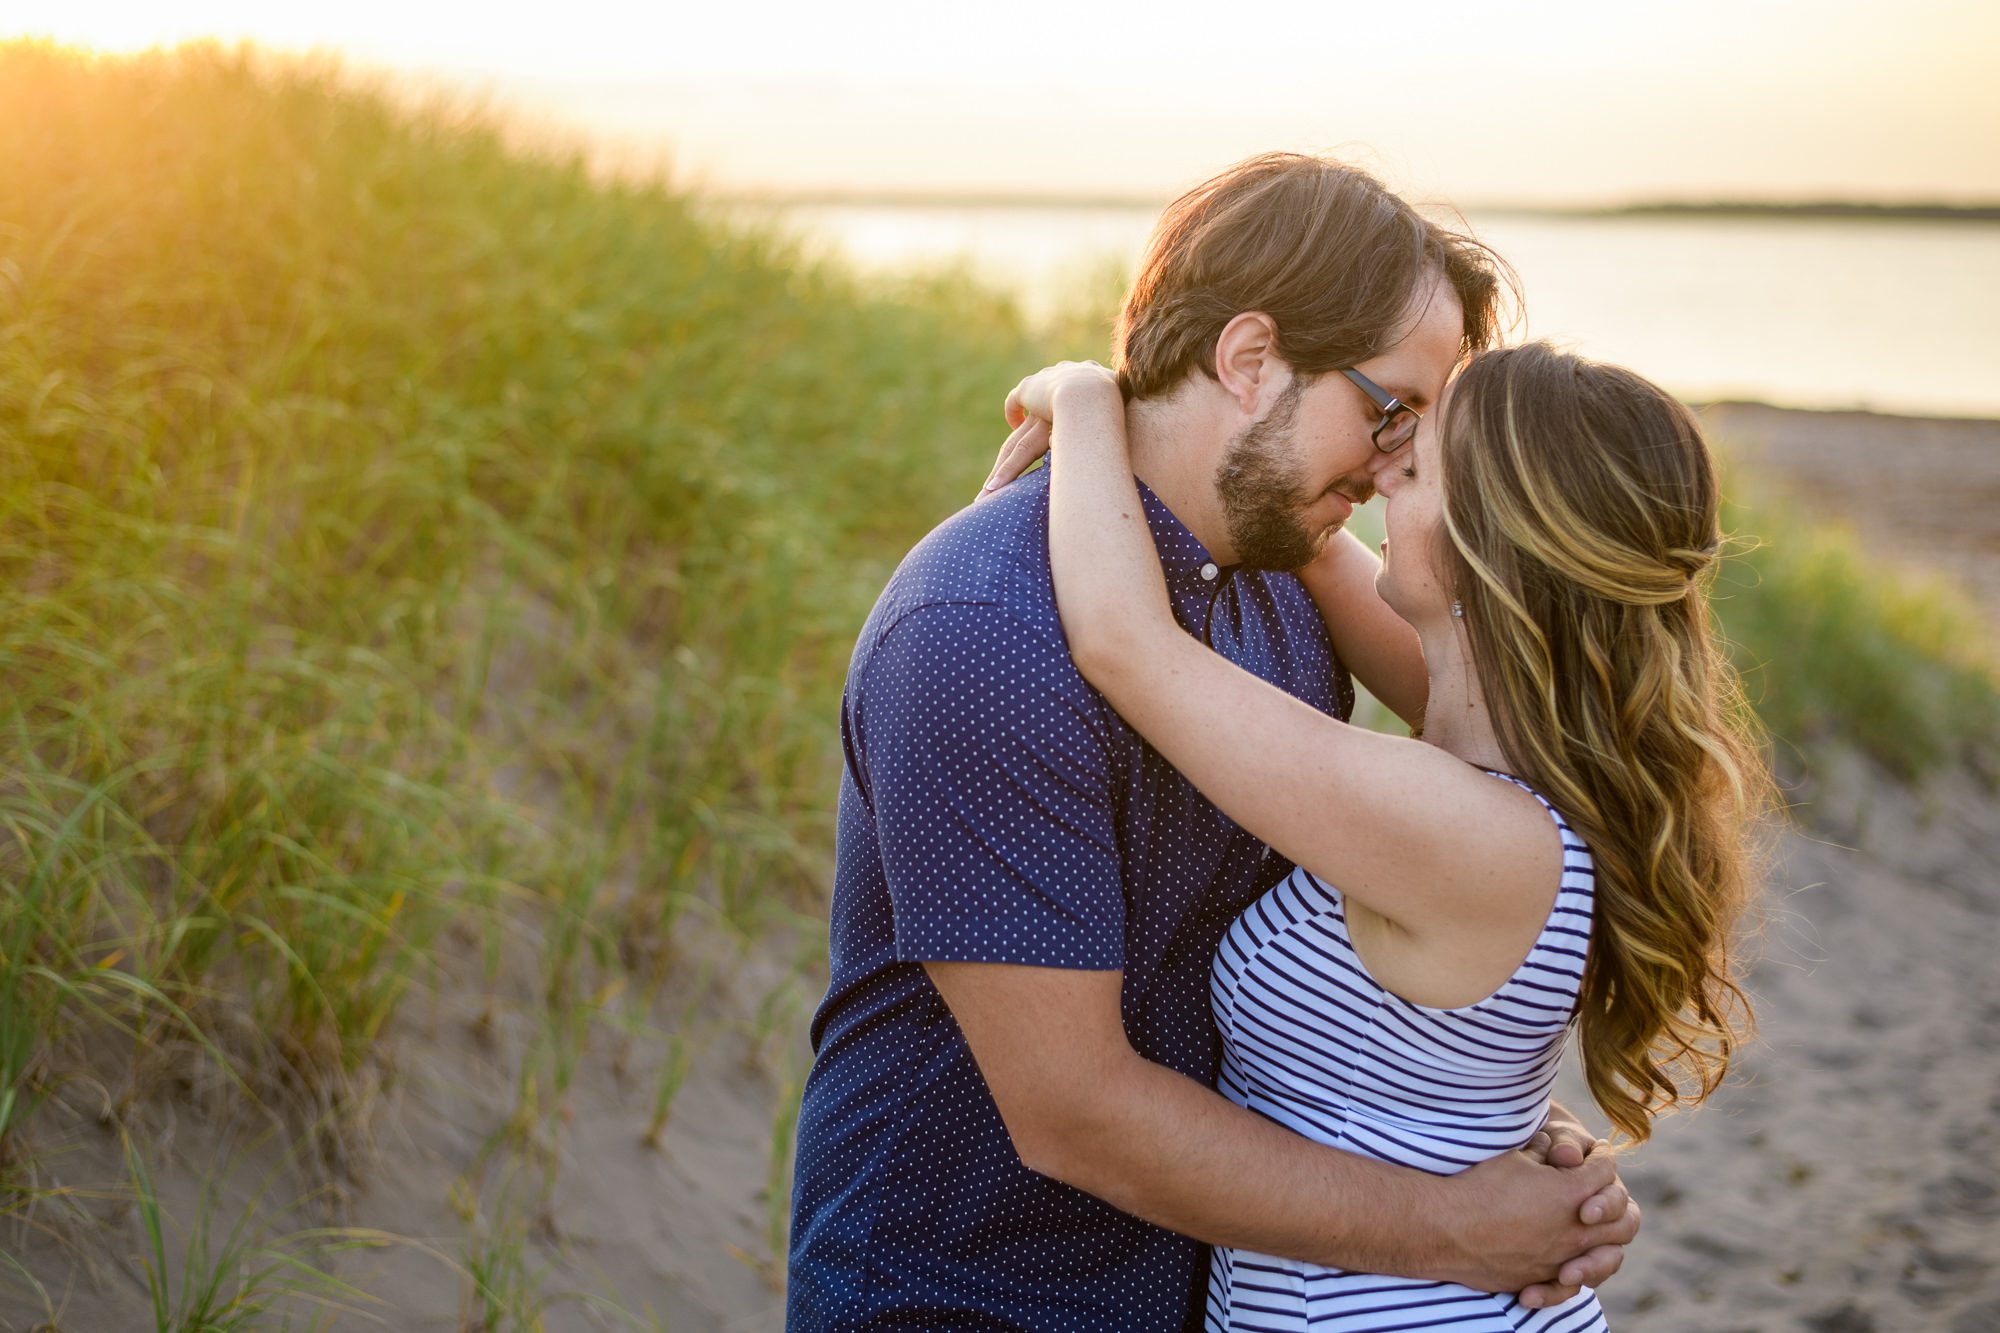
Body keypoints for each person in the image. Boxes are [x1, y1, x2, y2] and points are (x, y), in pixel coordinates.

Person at [786, 154, 1642, 1333]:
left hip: (1208, 1280)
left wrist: (1476, 1126)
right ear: (1247, 360)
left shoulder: (1286, 586)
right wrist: (1453, 1221)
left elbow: (1492, 807)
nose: (1395, 459)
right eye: (1386, 407)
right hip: (972, 1293)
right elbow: (1073, 1111)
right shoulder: (983, 632)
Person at [990, 335, 1772, 1329]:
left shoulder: (1461, 830)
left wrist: (1087, 396)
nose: (1373, 477)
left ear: (1485, 547)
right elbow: (1313, 542)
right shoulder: (1525, 765)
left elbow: (1124, 645)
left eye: (1407, 471)